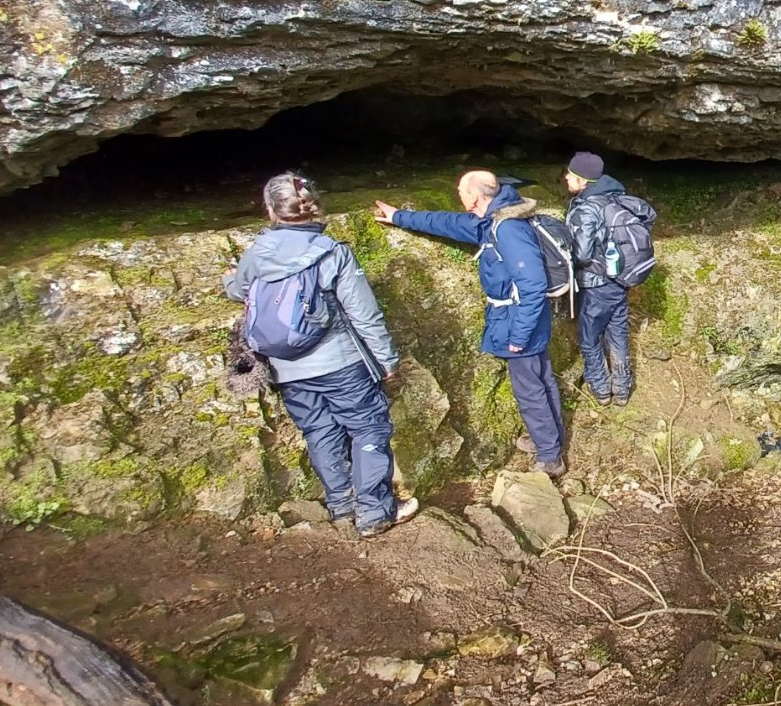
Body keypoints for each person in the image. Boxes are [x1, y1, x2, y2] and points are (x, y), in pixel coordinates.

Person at [223, 172, 418, 537]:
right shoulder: (333, 253)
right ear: (314, 206)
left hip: (285, 367)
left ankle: (341, 505)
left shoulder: (256, 252)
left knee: (318, 431)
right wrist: (386, 359)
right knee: (368, 428)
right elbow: (364, 313)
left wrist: (228, 279)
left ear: (270, 210)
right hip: (340, 362)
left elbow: (240, 290)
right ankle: (375, 512)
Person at [374, 171, 567, 477]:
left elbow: (532, 284)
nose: (459, 196)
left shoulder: (507, 229)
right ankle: (549, 440)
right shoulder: (492, 220)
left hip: (519, 318)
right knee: (540, 379)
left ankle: (550, 457)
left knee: (530, 387)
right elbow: (448, 223)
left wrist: (519, 334)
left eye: (461, 191)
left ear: (475, 196)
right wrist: (399, 217)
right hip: (522, 316)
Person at [564, 152, 652, 406]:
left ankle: (601, 388)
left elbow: (580, 254)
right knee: (618, 334)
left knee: (590, 337)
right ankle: (622, 389)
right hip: (619, 281)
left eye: (571, 174)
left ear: (583, 181)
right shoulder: (615, 198)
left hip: (595, 286)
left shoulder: (587, 208)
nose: (566, 177)